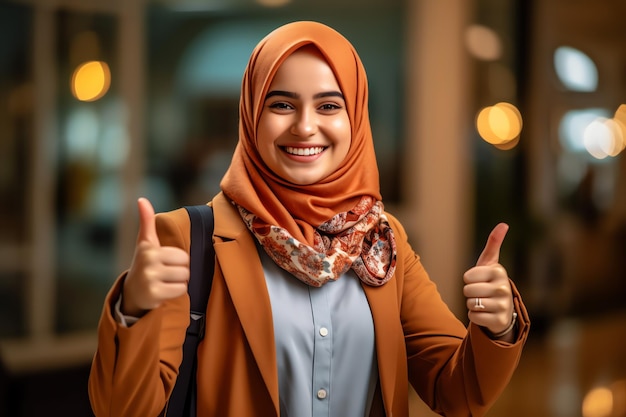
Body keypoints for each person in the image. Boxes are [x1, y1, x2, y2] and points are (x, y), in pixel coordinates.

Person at [88, 20, 529, 417]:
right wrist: (135, 309)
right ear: (252, 115)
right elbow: (123, 410)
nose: (304, 126)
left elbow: (458, 390)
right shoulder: (188, 237)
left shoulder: (382, 241)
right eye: (281, 104)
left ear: (355, 118)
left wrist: (497, 326)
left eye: (329, 106)